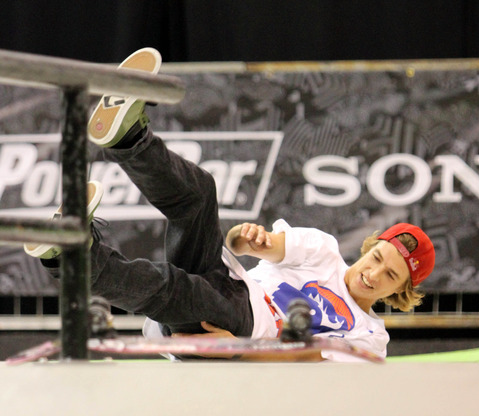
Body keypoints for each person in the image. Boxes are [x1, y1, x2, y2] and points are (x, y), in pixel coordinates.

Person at [24, 48, 435, 362]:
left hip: (241, 331)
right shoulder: (325, 250)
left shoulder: (371, 338)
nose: (373, 273)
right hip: (233, 284)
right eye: (378, 257)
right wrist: (249, 238)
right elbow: (248, 245)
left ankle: (70, 255)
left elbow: (312, 369)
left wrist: (238, 349)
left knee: (175, 286)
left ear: (402, 290)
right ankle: (127, 139)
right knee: (199, 194)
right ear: (369, 248)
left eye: (390, 275)